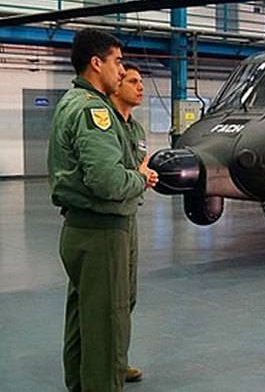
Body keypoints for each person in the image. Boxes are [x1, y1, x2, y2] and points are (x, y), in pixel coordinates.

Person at [48, 29, 158, 391]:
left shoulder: (73, 102)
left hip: (83, 228)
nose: (121, 69)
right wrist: (140, 179)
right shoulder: (94, 110)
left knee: (84, 316)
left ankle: (79, 383)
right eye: (117, 61)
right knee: (107, 323)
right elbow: (108, 182)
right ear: (97, 63)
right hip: (101, 230)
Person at [109, 61, 148, 383]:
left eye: (141, 81)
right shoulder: (106, 124)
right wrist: (140, 176)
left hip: (129, 214)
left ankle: (118, 361)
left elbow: (139, 169)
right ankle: (107, 367)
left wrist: (141, 176)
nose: (140, 87)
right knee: (112, 299)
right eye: (133, 81)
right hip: (109, 217)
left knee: (127, 296)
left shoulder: (135, 129)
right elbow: (112, 177)